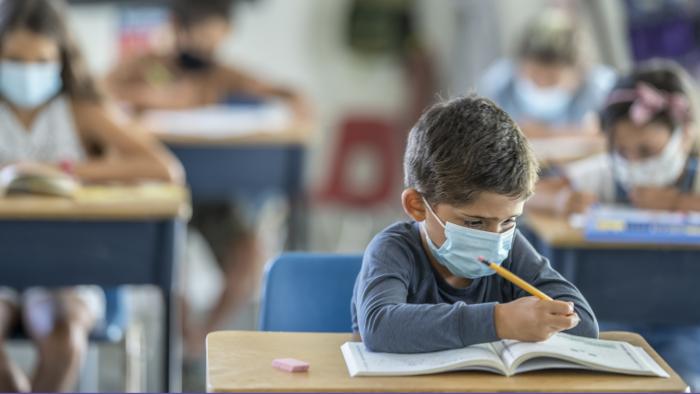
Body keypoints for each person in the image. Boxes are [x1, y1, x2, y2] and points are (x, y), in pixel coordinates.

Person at [106, 0, 308, 360]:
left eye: (214, 43)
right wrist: (169, 98)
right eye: (198, 40)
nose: (205, 51)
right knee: (171, 264)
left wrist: (292, 103)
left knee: (250, 257)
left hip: (215, 199)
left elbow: (285, 94)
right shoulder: (140, 67)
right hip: (161, 196)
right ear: (175, 28)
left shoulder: (222, 73)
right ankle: (179, 344)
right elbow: (103, 96)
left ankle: (200, 342)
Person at [0, 0, 182, 391]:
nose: (27, 72)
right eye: (13, 59)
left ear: (61, 60)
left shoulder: (81, 111)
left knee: (65, 336)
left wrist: (67, 171)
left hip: (68, 266)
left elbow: (165, 168)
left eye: (40, 61)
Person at [351, 95, 598, 353]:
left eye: (509, 220)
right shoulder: (393, 249)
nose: (494, 238)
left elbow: (584, 324)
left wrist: (554, 317)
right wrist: (499, 321)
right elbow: (380, 328)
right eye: (474, 222)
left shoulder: (510, 246)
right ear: (417, 205)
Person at [529, 59, 700, 389]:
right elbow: (531, 189)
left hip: (686, 325)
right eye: (622, 150)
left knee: (686, 382)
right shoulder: (605, 175)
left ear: (684, 136)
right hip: (609, 319)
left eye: (647, 151)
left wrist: (678, 204)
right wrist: (562, 200)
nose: (633, 163)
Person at [479, 9, 615, 138]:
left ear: (578, 72)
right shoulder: (498, 83)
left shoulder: (603, 89)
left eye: (552, 79)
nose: (542, 84)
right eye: (534, 76)